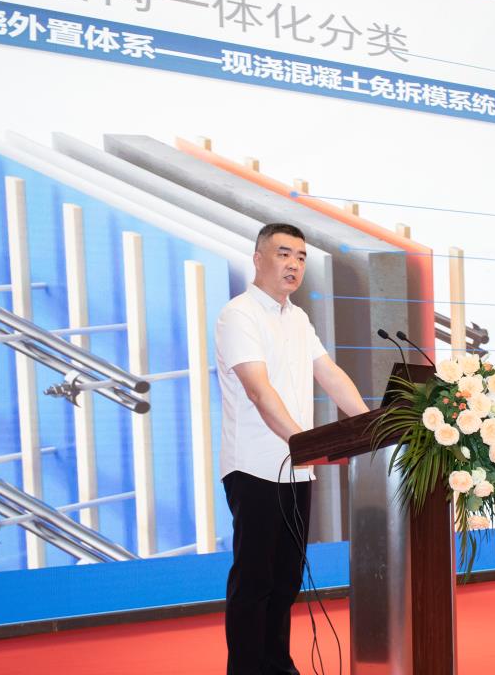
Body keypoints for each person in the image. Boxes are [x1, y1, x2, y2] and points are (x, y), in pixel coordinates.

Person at [216, 222, 370, 674]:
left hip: (298, 468)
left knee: (285, 580)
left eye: (301, 257)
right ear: (258, 258)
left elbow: (330, 374)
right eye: (284, 254)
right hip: (254, 467)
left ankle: (277, 666)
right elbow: (258, 390)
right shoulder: (239, 314)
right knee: (254, 581)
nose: (294, 264)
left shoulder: (298, 318)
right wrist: (302, 442)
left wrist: (369, 426)